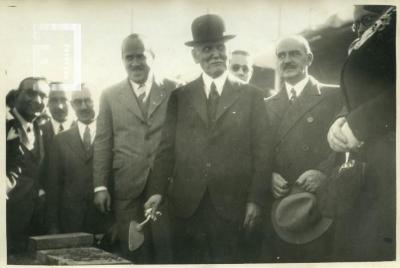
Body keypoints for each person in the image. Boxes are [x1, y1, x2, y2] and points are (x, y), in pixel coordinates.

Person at [144, 14, 273, 264]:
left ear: (227, 51)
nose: (215, 54)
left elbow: (263, 152)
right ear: (195, 56)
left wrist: (255, 200)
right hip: (187, 207)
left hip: (233, 206)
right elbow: (166, 149)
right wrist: (157, 190)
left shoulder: (251, 96)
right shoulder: (180, 97)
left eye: (220, 48)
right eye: (206, 49)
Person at [93, 34, 177, 263]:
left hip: (165, 185)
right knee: (133, 251)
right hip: (127, 187)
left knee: (165, 250)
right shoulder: (109, 95)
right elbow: (103, 141)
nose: (135, 63)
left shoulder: (173, 89)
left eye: (141, 56)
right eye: (129, 57)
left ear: (152, 56)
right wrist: (100, 185)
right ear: (122, 59)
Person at [321, 5, 396, 261]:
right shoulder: (375, 32)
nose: (357, 30)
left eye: (364, 21)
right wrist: (341, 119)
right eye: (356, 24)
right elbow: (359, 94)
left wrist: (361, 123)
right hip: (365, 169)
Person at [264, 35, 343, 262]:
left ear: (309, 58)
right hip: (283, 206)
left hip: (320, 203)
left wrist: (324, 172)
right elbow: (259, 151)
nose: (287, 60)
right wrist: (268, 175)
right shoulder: (266, 106)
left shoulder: (334, 95)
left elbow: (348, 146)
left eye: (294, 54)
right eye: (281, 55)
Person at [46, 85, 112, 235]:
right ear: (72, 105)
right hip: (71, 223)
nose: (83, 106)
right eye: (77, 102)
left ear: (96, 102)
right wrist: (53, 225)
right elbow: (53, 186)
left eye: (88, 101)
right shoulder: (60, 140)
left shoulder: (112, 134)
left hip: (106, 220)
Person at [6, 77, 49, 257]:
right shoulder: (5, 125)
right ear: (17, 95)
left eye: (43, 95)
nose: (38, 100)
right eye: (31, 93)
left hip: (33, 229)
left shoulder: (41, 128)